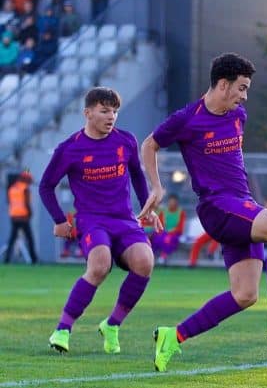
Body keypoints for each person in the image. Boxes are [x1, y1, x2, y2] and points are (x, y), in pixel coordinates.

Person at [139, 52, 267, 372]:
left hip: (240, 205)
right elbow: (149, 145)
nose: (244, 96)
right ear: (223, 85)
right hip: (216, 207)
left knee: (245, 294)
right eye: (242, 88)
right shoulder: (187, 118)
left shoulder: (239, 116)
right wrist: (156, 187)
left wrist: (251, 202)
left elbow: (233, 165)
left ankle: (173, 336)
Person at [39, 87, 161, 354]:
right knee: (100, 265)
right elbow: (46, 186)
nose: (112, 117)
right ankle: (62, 329)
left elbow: (138, 177)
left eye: (115, 111)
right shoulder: (69, 149)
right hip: (92, 221)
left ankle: (113, 325)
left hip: (125, 220)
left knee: (145, 262)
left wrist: (147, 207)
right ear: (88, 113)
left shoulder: (126, 141)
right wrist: (59, 220)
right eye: (105, 111)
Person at [3, 170, 38, 264]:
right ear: (25, 179)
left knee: (12, 238)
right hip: (23, 217)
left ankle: (7, 259)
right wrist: (30, 213)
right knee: (29, 238)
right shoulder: (25, 188)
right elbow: (27, 203)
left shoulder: (11, 188)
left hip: (14, 217)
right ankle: (34, 259)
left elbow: (9, 202)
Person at [152, 193, 186, 265]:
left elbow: (180, 227)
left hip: (175, 234)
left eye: (173, 202)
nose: (172, 204)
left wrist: (171, 232)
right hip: (164, 232)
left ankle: (163, 256)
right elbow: (159, 224)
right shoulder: (164, 212)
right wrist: (163, 231)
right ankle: (152, 257)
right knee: (156, 238)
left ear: (177, 203)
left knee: (168, 239)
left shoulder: (181, 213)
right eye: (170, 202)